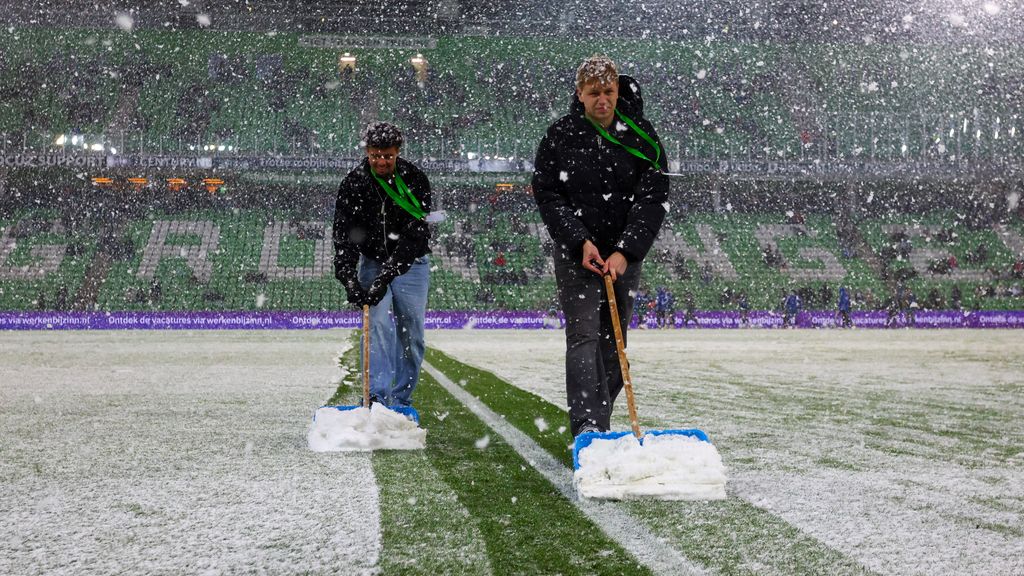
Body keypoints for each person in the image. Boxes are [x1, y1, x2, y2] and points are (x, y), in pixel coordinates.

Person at [532, 55, 669, 438]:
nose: (602, 100)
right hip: (579, 254)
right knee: (583, 337)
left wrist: (626, 250)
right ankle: (586, 426)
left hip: (623, 256)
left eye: (608, 92)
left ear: (618, 90)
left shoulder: (641, 135)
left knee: (615, 343)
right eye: (594, 93)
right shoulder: (560, 135)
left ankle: (600, 417)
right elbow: (548, 194)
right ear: (580, 94)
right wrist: (580, 241)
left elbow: (653, 197)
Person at [333, 122, 431, 409]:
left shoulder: (414, 178)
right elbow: (343, 234)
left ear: (397, 153)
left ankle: (401, 399)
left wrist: (388, 274)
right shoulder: (354, 182)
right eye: (376, 155)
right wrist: (349, 278)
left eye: (387, 156)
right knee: (375, 324)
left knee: (411, 332)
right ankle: (376, 396)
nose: (381, 161)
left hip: (412, 264)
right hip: (372, 261)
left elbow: (417, 233)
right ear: (368, 152)